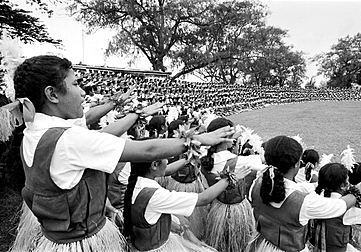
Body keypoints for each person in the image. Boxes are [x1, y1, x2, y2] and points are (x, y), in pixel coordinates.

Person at [8, 55, 235, 252]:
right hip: (82, 241)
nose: (82, 92)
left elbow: (101, 131)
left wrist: (135, 113)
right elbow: (147, 150)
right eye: (76, 84)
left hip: (56, 237)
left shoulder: (34, 131)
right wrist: (197, 141)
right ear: (52, 94)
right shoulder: (69, 140)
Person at [247, 135, 361, 252]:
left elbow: (299, 187)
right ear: (296, 165)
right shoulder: (304, 202)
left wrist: (322, 183)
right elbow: (338, 206)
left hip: (261, 244)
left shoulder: (257, 183)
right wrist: (356, 193)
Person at [123, 148, 252, 252]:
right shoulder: (156, 195)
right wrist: (230, 178)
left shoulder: (136, 182)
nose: (168, 161)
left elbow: (167, 170)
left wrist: (188, 158)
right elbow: (203, 199)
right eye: (166, 158)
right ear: (154, 165)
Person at [200, 117, 266, 252]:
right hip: (237, 211)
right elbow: (265, 162)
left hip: (217, 209)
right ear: (227, 137)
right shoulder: (239, 161)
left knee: (218, 244)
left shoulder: (204, 159)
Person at [310, 162, 361, 252]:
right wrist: (357, 194)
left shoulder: (316, 196)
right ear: (343, 186)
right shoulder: (347, 208)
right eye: (348, 180)